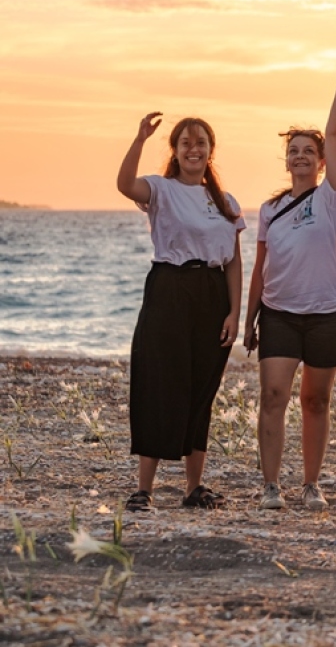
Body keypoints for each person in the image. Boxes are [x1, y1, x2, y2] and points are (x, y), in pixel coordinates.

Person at [243, 46, 336, 511]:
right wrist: (249, 319)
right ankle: (271, 486)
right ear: (285, 160)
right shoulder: (270, 210)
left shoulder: (331, 199)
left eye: (309, 152)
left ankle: (311, 484)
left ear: (322, 162)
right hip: (279, 315)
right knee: (273, 395)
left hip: (328, 311)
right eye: (293, 152)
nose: (301, 157)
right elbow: (259, 267)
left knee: (315, 401)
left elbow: (333, 131)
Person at [116, 114, 245, 512]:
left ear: (211, 150)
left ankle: (193, 488)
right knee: (159, 383)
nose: (194, 148)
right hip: (169, 288)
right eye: (186, 142)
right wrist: (138, 139)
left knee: (201, 389)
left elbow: (235, 263)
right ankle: (144, 490)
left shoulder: (225, 202)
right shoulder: (161, 189)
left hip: (212, 295)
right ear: (175, 150)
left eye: (201, 142)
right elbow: (124, 184)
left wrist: (234, 313)